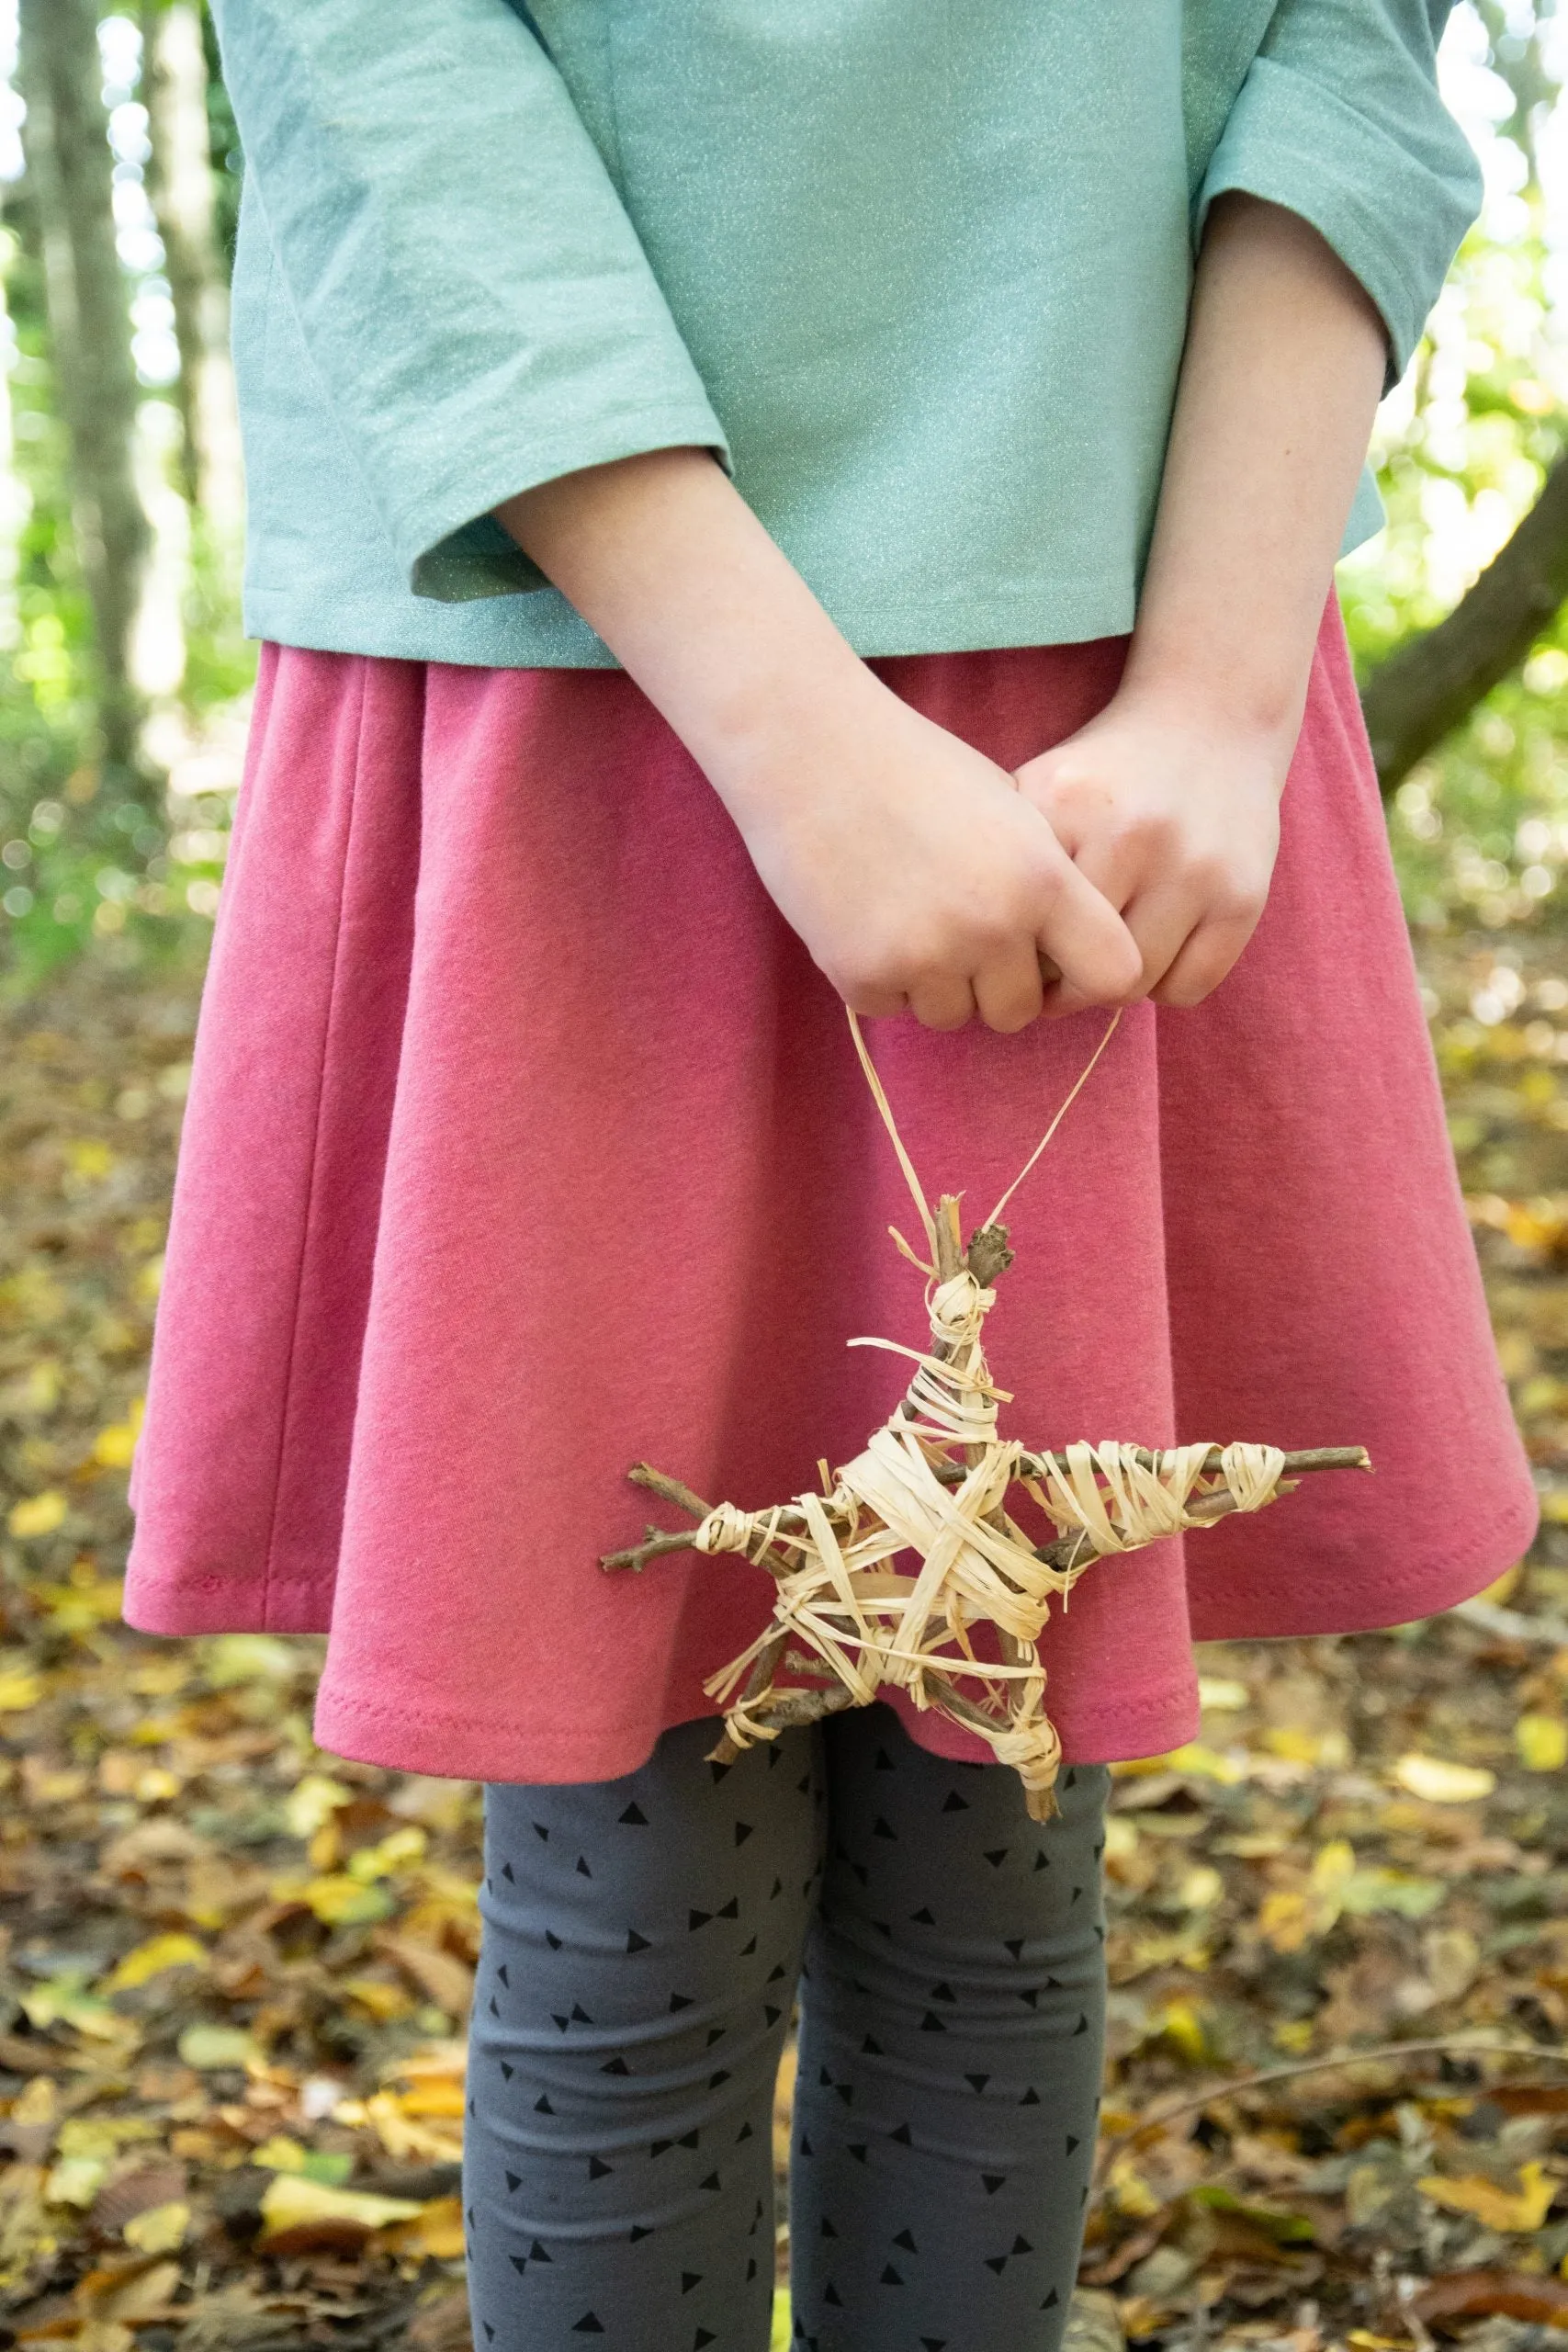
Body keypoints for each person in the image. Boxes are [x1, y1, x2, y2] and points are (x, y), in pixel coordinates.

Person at [124, 6, 1539, 2346]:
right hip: (586, 682)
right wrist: (784, 729)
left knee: (1002, 1880)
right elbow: (373, 58)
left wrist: (1212, 685)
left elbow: (1348, 44)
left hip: (1104, 728)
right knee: (631, 1894)